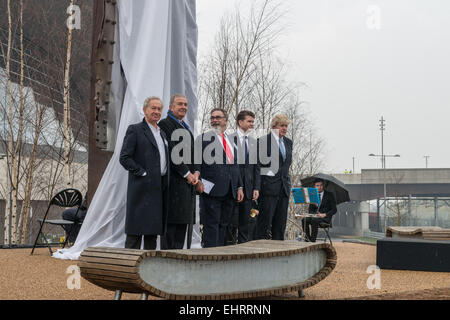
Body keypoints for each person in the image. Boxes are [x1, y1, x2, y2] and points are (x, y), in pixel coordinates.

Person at [119, 96, 169, 250]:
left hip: (158, 189)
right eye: (153, 108)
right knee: (135, 232)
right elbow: (124, 157)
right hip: (140, 189)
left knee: (152, 233)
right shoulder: (135, 129)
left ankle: (149, 269)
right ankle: (128, 268)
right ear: (145, 110)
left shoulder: (162, 133)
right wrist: (142, 173)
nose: (156, 111)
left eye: (159, 109)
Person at [196, 108, 244, 248]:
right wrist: (198, 180)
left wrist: (239, 186)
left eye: (218, 117)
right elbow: (197, 162)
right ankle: (210, 256)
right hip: (211, 189)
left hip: (230, 190)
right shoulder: (203, 139)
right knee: (211, 225)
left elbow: (235, 166)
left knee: (224, 225)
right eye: (212, 118)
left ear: (226, 121)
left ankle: (221, 255)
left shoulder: (231, 140)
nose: (215, 120)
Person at [158, 94, 199, 249]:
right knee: (171, 227)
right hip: (173, 184)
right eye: (180, 104)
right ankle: (167, 261)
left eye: (186, 104)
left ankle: (179, 259)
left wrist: (196, 173)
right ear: (171, 107)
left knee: (182, 226)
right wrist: (187, 174)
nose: (183, 107)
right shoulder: (166, 124)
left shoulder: (186, 128)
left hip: (188, 186)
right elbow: (172, 152)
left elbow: (194, 154)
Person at [256, 114, 293, 241]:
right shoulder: (262, 142)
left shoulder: (288, 143)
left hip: (284, 190)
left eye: (286, 126)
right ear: (274, 126)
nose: (284, 128)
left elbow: (286, 166)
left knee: (280, 227)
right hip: (268, 190)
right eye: (282, 125)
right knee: (264, 226)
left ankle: (278, 256)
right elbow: (258, 168)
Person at [227, 110, 260, 244]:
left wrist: (256, 187)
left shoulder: (253, 142)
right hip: (233, 188)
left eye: (253, 122)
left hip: (249, 189)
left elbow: (256, 167)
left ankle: (243, 250)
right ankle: (229, 251)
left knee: (245, 224)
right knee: (230, 224)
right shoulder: (229, 139)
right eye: (249, 121)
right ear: (240, 122)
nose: (252, 124)